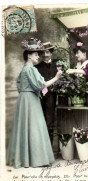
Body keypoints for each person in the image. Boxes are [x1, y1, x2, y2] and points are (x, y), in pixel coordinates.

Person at [6, 38, 62, 168]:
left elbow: (20, 86)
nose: (39, 56)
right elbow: (41, 85)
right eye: (36, 54)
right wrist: (57, 77)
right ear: (29, 55)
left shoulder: (25, 69)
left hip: (25, 100)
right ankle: (35, 159)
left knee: (28, 127)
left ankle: (27, 158)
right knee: (34, 127)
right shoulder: (31, 69)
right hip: (30, 100)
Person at [35, 42, 57, 144]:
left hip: (54, 96)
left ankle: (51, 149)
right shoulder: (37, 67)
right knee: (42, 122)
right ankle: (42, 149)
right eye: (43, 52)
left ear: (51, 53)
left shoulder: (58, 65)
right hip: (41, 98)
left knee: (50, 122)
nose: (45, 55)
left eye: (47, 52)